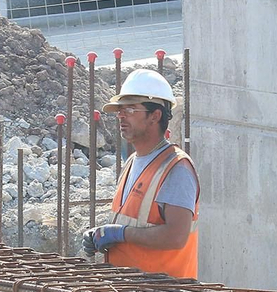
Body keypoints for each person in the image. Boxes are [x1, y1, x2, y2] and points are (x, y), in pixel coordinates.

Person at [82, 69, 199, 279]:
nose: (121, 116)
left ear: (155, 115)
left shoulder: (176, 168)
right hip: (127, 291)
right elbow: (132, 220)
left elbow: (176, 236)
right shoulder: (132, 162)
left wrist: (120, 233)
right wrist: (103, 234)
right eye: (120, 110)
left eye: (130, 109)